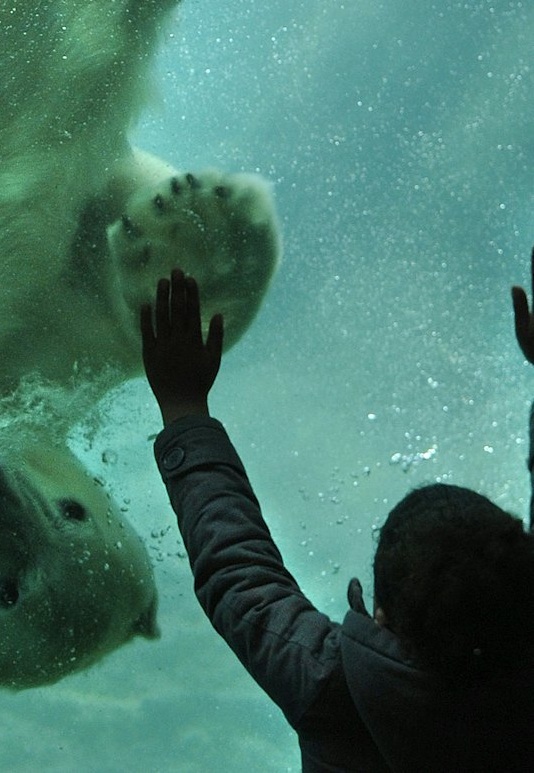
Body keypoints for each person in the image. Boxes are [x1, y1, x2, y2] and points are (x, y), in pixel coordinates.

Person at [141, 262, 534, 773]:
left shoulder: (334, 687)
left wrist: (183, 405)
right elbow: (238, 577)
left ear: (382, 619)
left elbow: (237, 569)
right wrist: (184, 409)